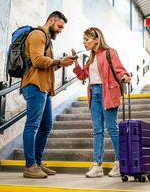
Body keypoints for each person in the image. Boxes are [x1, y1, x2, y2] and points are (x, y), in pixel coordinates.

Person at [20, 11, 75, 178]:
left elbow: (46, 64)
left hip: (43, 87)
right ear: (51, 20)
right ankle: (30, 166)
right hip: (34, 85)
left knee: (45, 127)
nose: (60, 30)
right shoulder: (38, 34)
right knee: (32, 125)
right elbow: (37, 60)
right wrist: (58, 61)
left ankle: (37, 162)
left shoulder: (47, 39)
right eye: (59, 26)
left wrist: (62, 63)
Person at [73, 27, 131, 178]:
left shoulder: (110, 52)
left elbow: (119, 70)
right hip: (94, 94)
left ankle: (120, 163)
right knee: (97, 130)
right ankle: (97, 165)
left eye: (87, 39)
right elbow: (82, 76)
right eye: (83, 40)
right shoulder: (90, 58)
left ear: (96, 39)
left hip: (109, 92)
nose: (84, 42)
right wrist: (76, 63)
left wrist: (125, 76)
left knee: (111, 128)